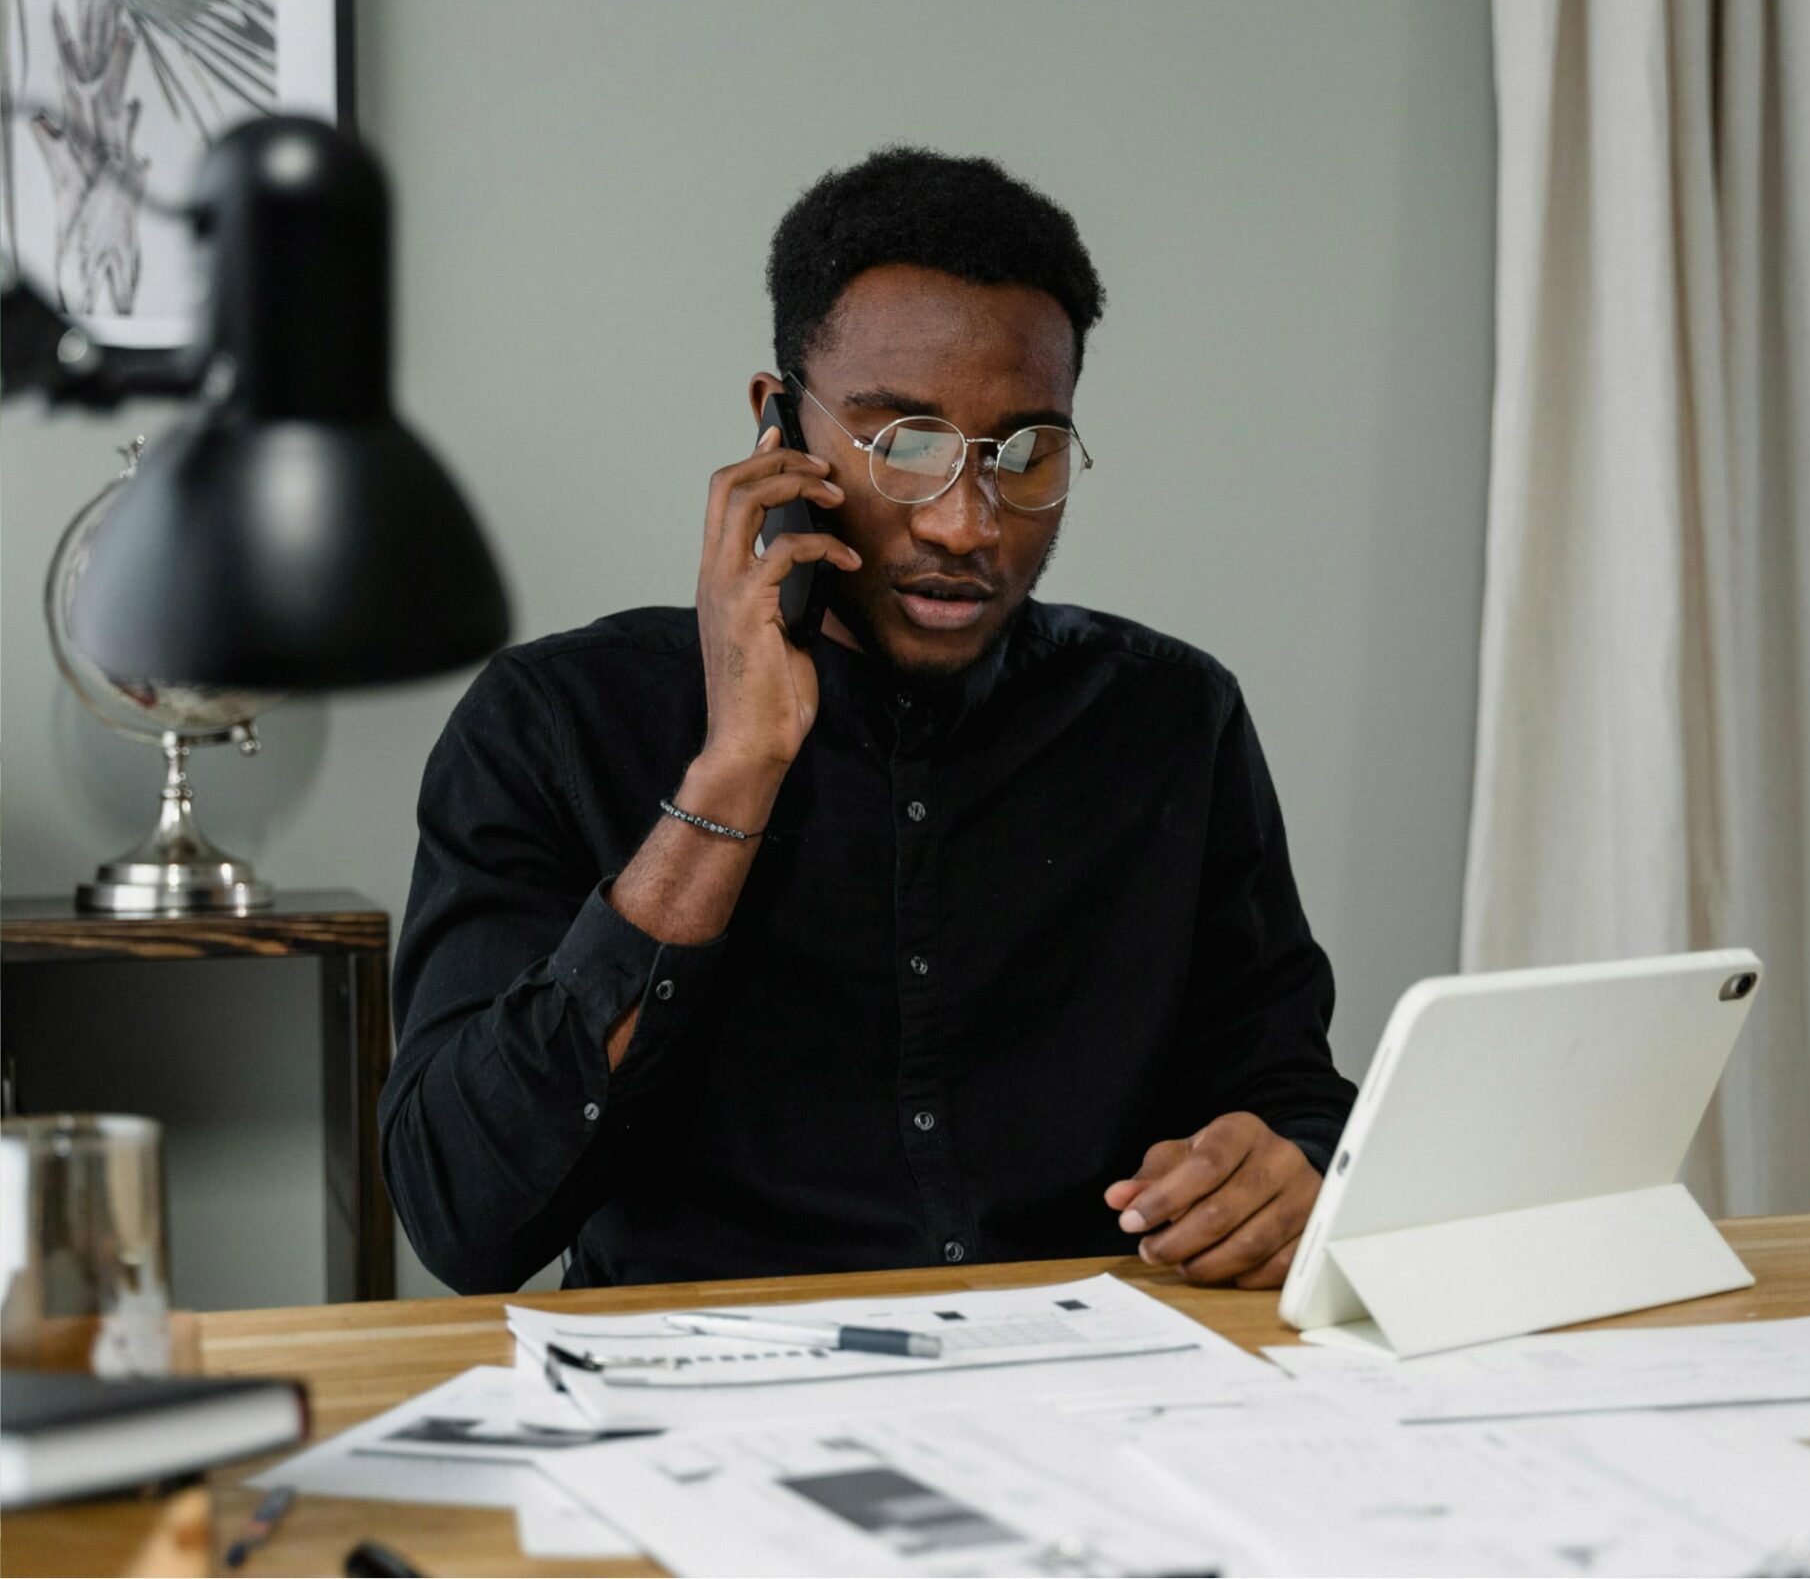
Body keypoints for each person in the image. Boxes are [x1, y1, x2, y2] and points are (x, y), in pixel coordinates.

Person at [380, 147, 1356, 1294]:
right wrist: (730, 776)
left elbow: (1286, 1095)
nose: (965, 524)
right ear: (778, 427)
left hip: (1085, 1370)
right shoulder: (555, 722)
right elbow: (463, 1218)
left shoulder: (1172, 721)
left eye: (1025, 453)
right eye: (905, 445)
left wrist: (1289, 1169)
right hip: (703, 1381)